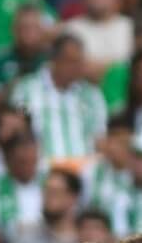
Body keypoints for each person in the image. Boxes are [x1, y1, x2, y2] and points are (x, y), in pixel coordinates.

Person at [10, 33, 107, 161]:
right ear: (54, 60)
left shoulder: (92, 95)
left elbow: (98, 137)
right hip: (42, 168)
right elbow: (19, 127)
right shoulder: (26, 90)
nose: (78, 67)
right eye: (71, 61)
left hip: (82, 170)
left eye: (80, 61)